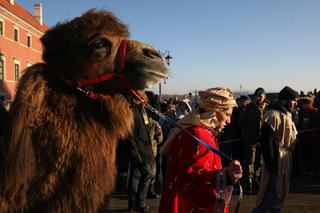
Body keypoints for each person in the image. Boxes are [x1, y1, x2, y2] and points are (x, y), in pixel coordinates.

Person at [158, 87, 242, 213]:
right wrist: (226, 175)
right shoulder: (199, 135)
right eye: (228, 114)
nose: (229, 121)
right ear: (214, 112)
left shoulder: (203, 132)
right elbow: (190, 183)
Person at [252, 86, 299, 213]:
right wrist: (271, 163)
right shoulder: (272, 115)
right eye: (293, 100)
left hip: (284, 157)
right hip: (276, 159)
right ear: (285, 100)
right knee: (273, 192)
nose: (295, 103)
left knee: (281, 192)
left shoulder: (286, 114)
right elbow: (266, 141)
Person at [126, 103, 155, 213]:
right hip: (139, 150)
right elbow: (129, 134)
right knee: (145, 174)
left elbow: (153, 113)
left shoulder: (142, 110)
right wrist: (134, 151)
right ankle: (139, 204)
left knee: (136, 175)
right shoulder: (131, 111)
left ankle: (133, 203)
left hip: (145, 148)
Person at [239, 87, 268, 194]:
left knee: (259, 161)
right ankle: (249, 183)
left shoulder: (268, 108)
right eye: (257, 96)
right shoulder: (249, 107)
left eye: (260, 96)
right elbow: (241, 122)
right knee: (250, 161)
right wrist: (248, 131)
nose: (259, 98)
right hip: (251, 139)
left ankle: (256, 181)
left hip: (263, 139)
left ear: (264, 96)